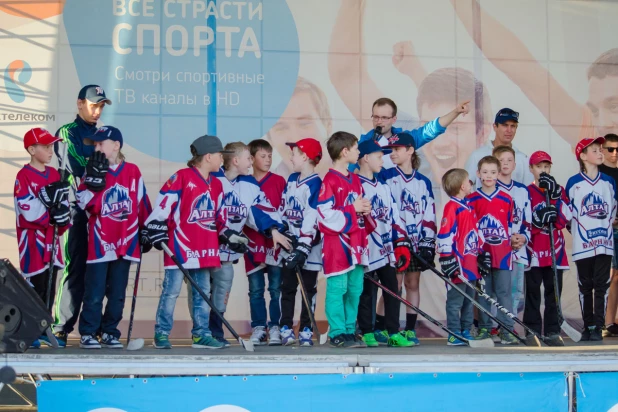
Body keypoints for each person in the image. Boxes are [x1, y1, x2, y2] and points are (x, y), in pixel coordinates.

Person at [452, 1, 617, 144]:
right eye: (594, 111)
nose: (603, 123)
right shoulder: (592, 136)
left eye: (614, 106)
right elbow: (525, 72)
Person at [144, 135, 244, 350]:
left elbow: (218, 218)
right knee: (171, 291)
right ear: (208, 157)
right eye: (219, 156)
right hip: (180, 247)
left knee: (202, 293)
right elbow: (163, 206)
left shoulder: (217, 184)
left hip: (205, 249)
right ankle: (161, 333)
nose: (222, 160)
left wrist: (230, 235)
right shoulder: (182, 177)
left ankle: (201, 334)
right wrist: (155, 226)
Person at [207, 142, 291, 346]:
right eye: (248, 158)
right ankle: (200, 332)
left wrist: (275, 229)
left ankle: (215, 332)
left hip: (227, 254)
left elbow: (258, 210)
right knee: (200, 292)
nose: (251, 162)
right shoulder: (211, 179)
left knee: (221, 291)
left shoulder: (249, 184)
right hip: (204, 250)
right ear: (235, 161)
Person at [76, 126, 151, 349]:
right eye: (94, 145)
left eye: (101, 144)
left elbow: (141, 203)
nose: (96, 148)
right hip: (100, 242)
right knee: (95, 291)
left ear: (116, 145)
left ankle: (110, 331)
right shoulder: (91, 170)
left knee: (118, 292)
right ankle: (89, 332)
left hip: (126, 241)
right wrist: (94, 185)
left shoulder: (133, 171)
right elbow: (83, 204)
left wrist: (146, 228)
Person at [52, 85, 111, 347]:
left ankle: (93, 329)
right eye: (93, 104)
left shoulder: (105, 135)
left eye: (101, 106)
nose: (97, 110)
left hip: (103, 212)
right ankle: (60, 328)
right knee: (73, 268)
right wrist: (96, 164)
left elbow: (116, 165)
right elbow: (74, 163)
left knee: (100, 271)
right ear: (79, 104)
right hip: (74, 210)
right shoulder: (67, 131)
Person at [15, 128, 70, 348]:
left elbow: (64, 207)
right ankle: (28, 332)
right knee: (35, 287)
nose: (50, 150)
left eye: (51, 146)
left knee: (50, 286)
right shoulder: (24, 175)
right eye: (45, 146)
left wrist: (61, 215)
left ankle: (44, 329)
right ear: (31, 149)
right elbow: (26, 209)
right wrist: (49, 213)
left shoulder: (56, 174)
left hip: (52, 242)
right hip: (32, 243)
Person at [379, 133, 437, 345]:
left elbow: (429, 214)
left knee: (413, 283)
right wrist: (396, 238)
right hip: (395, 242)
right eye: (391, 150)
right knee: (394, 284)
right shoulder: (386, 176)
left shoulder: (423, 182)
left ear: (410, 150)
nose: (392, 154)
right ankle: (383, 327)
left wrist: (427, 245)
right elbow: (385, 211)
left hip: (416, 243)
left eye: (397, 149)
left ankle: (410, 329)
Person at [318, 131, 373, 348]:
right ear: (345, 151)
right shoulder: (330, 180)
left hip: (357, 243)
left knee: (354, 289)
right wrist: (353, 209)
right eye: (356, 147)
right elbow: (324, 214)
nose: (359, 151)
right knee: (337, 288)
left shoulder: (356, 179)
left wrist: (365, 210)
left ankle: (350, 330)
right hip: (338, 245)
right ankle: (338, 332)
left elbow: (358, 207)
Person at [355, 140, 413, 348]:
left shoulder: (383, 186)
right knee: (366, 292)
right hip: (366, 252)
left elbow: (395, 217)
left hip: (386, 251)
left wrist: (401, 242)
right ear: (365, 158)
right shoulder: (355, 185)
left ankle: (392, 332)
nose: (383, 160)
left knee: (392, 290)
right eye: (379, 156)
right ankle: (366, 331)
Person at [566, 137, 618, 341]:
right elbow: (568, 215)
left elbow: (612, 212)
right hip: (583, 245)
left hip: (604, 244)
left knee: (602, 285)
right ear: (582, 155)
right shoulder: (574, 182)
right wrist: (581, 234)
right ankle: (587, 326)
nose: (600, 152)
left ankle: (598, 326)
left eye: (600, 149)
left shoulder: (608, 182)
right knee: (585, 286)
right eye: (594, 150)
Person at [466, 156, 518, 344]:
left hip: (503, 255)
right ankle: (485, 328)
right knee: (484, 293)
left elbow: (512, 227)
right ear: (478, 174)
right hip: (481, 256)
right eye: (485, 172)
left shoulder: (506, 198)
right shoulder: (471, 199)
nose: (489, 176)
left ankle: (506, 329)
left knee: (504, 293)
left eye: (493, 172)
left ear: (499, 173)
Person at [277, 138, 323, 346]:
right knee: (287, 288)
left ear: (305, 157)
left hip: (309, 249)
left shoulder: (316, 184)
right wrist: (283, 230)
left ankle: (306, 329)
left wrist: (304, 244)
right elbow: (284, 209)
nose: (291, 157)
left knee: (308, 290)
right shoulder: (292, 179)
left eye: (294, 153)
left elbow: (313, 216)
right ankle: (285, 326)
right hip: (289, 245)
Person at [524, 151, 572, 346]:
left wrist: (556, 197)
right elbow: (524, 221)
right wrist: (537, 220)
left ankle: (552, 331)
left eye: (546, 167)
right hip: (534, 252)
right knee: (533, 292)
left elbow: (565, 219)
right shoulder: (526, 191)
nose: (543, 170)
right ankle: (532, 330)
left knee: (554, 293)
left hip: (555, 252)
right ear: (531, 169)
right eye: (539, 167)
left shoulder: (558, 189)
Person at [243, 139, 286, 346]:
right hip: (252, 243)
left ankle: (275, 326)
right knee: (256, 289)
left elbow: (283, 211)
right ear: (251, 159)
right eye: (263, 156)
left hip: (274, 243)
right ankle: (259, 327)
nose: (267, 159)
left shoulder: (278, 181)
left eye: (270, 156)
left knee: (276, 288)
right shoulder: (244, 182)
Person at [437, 168, 487, 346]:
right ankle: (453, 333)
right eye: (469, 181)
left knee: (469, 299)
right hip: (458, 265)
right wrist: (446, 259)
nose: (472, 183)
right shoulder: (452, 207)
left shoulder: (468, 207)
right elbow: (445, 233)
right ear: (463, 186)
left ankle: (466, 330)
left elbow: (475, 233)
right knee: (455, 301)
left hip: (471, 263)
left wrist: (481, 253)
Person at [267, 77, 333, 178]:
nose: (295, 139)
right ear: (270, 139)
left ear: (328, 125)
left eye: (304, 124)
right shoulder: (262, 190)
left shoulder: (357, 179)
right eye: (281, 129)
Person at [493, 145, 531, 318]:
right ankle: (494, 325)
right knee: (497, 289)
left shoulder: (522, 190)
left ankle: (510, 323)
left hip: (518, 247)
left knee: (515, 290)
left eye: (509, 160)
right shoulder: (490, 189)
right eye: (501, 160)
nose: (505, 164)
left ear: (515, 165)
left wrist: (523, 237)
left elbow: (527, 220)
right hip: (498, 248)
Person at [465, 109, 534, 188]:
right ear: (495, 127)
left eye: (513, 126)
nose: (509, 130)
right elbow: (465, 187)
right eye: (505, 125)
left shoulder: (523, 159)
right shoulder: (477, 155)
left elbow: (529, 191)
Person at [600, 134, 618, 337]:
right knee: (611, 276)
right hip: (607, 230)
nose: (614, 154)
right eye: (610, 149)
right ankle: (607, 322)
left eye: (617, 150)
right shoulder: (601, 174)